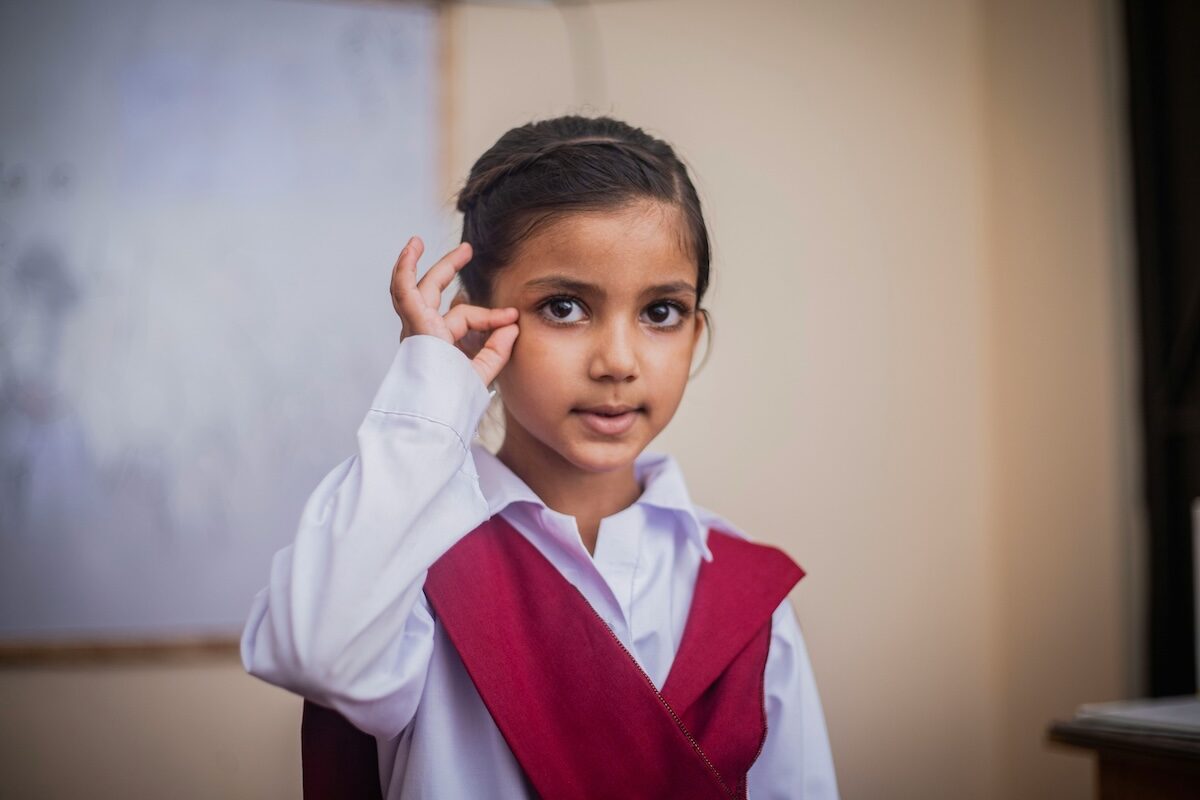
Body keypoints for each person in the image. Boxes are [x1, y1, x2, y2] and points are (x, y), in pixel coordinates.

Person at [241, 115, 839, 799]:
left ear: (695, 332)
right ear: (478, 325)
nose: (618, 362)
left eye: (661, 312)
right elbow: (315, 651)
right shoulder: (409, 567)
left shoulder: (747, 598)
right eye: (564, 306)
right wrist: (434, 384)